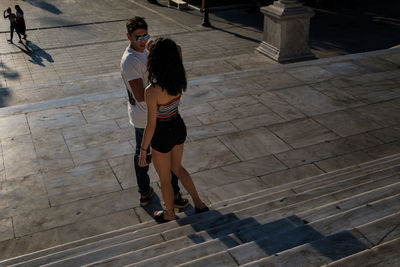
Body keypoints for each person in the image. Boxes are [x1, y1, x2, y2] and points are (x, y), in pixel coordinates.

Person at [120, 17, 188, 209]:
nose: (142, 41)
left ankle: (174, 193)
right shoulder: (130, 61)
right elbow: (141, 96)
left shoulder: (149, 51)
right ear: (128, 36)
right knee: (142, 155)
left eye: (145, 36)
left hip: (162, 116)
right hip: (144, 118)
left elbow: (178, 50)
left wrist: (157, 52)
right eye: (137, 37)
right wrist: (162, 78)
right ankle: (145, 191)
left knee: (169, 157)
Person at [139, 38, 209, 223]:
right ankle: (199, 203)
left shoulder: (152, 90)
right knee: (177, 168)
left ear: (155, 60)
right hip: (178, 126)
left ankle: (169, 213)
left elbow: (151, 125)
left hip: (161, 134)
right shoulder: (179, 77)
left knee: (164, 178)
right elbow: (177, 48)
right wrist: (158, 47)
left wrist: (143, 150)